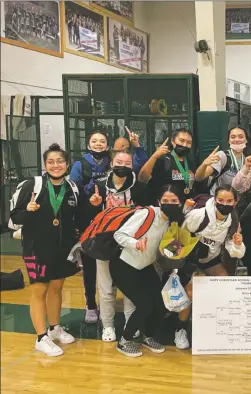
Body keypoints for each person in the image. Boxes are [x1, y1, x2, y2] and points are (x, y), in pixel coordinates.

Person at [10, 144, 92, 356]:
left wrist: (93, 204)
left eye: (60, 161)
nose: (56, 165)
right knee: (40, 290)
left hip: (63, 249)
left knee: (57, 288)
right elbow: (13, 218)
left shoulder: (73, 188)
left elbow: (81, 218)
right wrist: (27, 211)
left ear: (67, 164)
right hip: (37, 248)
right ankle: (41, 337)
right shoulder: (32, 186)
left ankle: (54, 328)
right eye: (51, 162)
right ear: (45, 165)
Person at [110, 185, 183, 357]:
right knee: (145, 304)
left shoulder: (174, 221)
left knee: (159, 303)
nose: (169, 204)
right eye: (165, 201)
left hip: (145, 266)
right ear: (159, 201)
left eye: (174, 201)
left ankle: (147, 336)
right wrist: (135, 243)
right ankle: (125, 340)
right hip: (124, 264)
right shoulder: (147, 214)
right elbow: (118, 235)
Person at [176, 186, 246, 349]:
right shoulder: (198, 216)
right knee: (190, 292)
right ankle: (180, 329)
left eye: (229, 201)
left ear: (235, 202)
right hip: (189, 258)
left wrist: (237, 244)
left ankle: (217, 326)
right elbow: (179, 233)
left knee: (225, 284)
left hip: (210, 259)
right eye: (220, 200)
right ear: (215, 200)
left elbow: (234, 251)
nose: (224, 204)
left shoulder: (233, 221)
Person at [92, 150, 148, 342]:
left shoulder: (138, 187)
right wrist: (94, 205)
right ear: (111, 163)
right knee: (106, 287)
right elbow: (87, 214)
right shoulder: (99, 186)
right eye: (119, 161)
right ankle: (107, 325)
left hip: (129, 243)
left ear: (132, 165)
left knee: (130, 287)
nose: (122, 165)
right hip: (105, 243)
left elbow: (146, 213)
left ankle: (129, 323)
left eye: (127, 162)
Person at [69, 129, 110, 324]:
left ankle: (106, 302)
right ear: (88, 145)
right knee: (90, 264)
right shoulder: (80, 164)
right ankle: (90, 304)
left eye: (102, 141)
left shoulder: (113, 162)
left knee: (110, 263)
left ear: (107, 145)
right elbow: (74, 192)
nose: (98, 144)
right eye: (94, 141)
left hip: (109, 218)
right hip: (87, 219)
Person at [138, 129, 195, 201]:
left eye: (189, 142)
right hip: (164, 205)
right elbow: (142, 178)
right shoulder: (163, 159)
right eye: (181, 140)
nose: (185, 145)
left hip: (185, 205)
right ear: (172, 141)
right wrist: (154, 156)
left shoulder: (191, 161)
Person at [195, 126, 249, 194]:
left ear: (246, 140)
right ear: (229, 141)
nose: (237, 139)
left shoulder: (247, 161)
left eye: (241, 137)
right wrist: (204, 164)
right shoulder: (222, 156)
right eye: (233, 137)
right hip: (218, 199)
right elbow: (199, 177)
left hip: (236, 200)